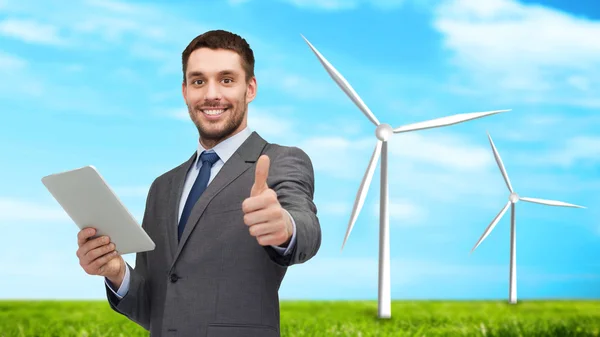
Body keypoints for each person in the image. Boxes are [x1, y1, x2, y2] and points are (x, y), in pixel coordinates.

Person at [75, 30, 321, 337]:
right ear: (185, 91)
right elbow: (153, 307)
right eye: (198, 81)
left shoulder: (278, 160)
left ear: (251, 88)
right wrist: (115, 271)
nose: (211, 94)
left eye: (227, 80)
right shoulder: (163, 187)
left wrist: (285, 227)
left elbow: (305, 226)